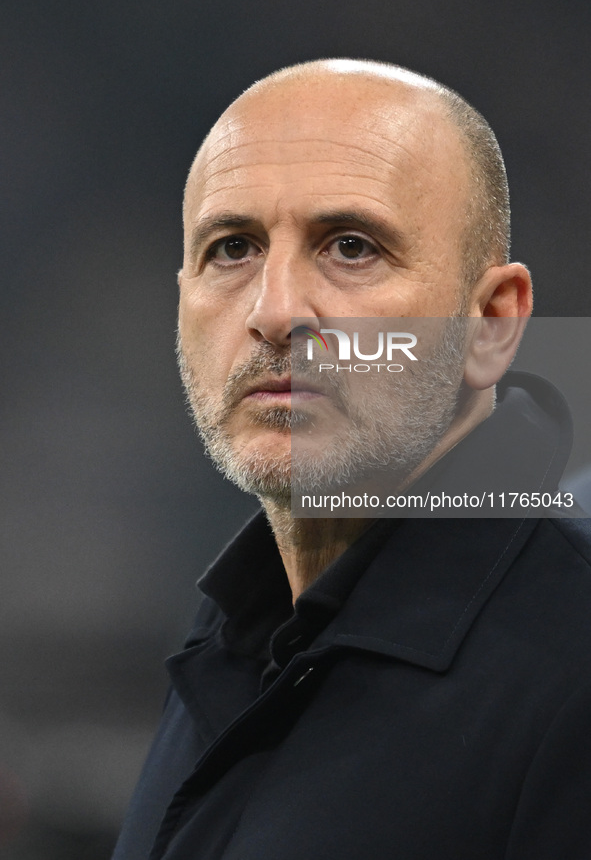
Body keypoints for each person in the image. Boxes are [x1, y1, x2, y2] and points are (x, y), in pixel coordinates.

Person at [112, 60, 591, 860]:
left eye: (350, 247)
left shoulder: (569, 671)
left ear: (491, 324)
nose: (273, 312)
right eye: (231, 248)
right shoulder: (233, 631)